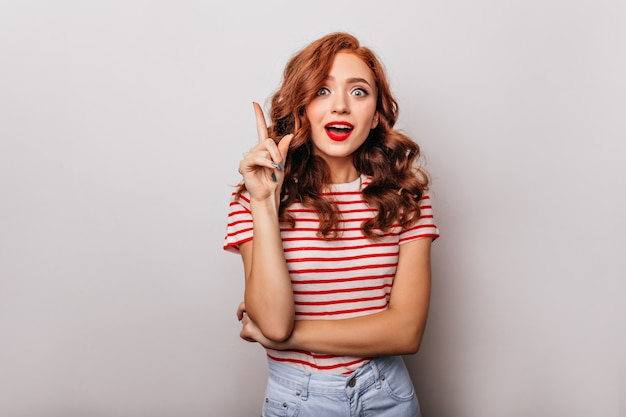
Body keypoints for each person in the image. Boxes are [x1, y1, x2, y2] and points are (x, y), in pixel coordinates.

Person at [223, 32, 439, 417]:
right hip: (298, 400)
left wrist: (292, 339)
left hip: (387, 394)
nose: (340, 106)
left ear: (375, 115)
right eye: (322, 90)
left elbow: (406, 332)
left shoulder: (405, 198)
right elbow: (273, 323)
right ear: (300, 106)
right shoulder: (252, 198)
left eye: (358, 92)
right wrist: (264, 203)